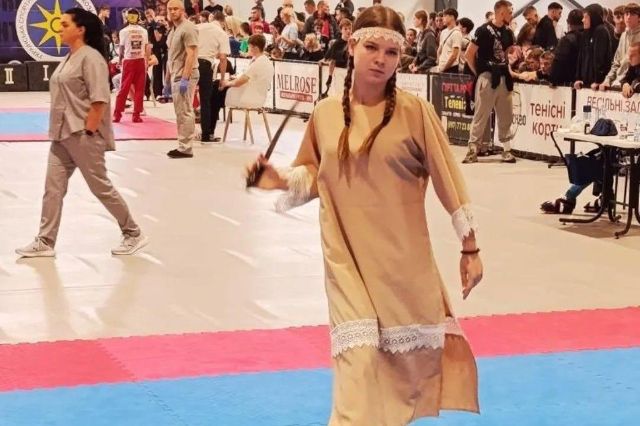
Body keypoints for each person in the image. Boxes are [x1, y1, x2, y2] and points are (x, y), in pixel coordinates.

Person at [245, 5, 481, 424]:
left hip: (401, 264)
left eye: (391, 53)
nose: (380, 60)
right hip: (346, 260)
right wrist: (278, 180)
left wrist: (470, 248)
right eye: (371, 48)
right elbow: (314, 173)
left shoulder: (415, 112)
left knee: (399, 381)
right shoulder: (325, 113)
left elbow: (448, 178)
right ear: (351, 46)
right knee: (359, 364)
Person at [16, 8, 147, 258]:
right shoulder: (70, 57)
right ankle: (45, 240)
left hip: (83, 134)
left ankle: (133, 232)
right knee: (53, 188)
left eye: (65, 24)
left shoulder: (91, 58)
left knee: (100, 187)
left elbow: (99, 99)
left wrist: (89, 131)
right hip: (61, 135)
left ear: (81, 30)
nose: (60, 28)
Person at [463, 0, 516, 164]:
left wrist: (509, 70)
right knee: (481, 115)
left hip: (503, 77)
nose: (512, 15)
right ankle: (472, 149)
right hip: (487, 76)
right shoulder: (482, 30)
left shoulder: (508, 33)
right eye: (510, 12)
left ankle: (506, 149)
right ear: (501, 12)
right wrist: (479, 73)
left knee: (506, 115)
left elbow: (506, 55)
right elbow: (468, 54)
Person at [164, 0, 199, 159]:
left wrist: (185, 78)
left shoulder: (188, 28)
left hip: (185, 75)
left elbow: (191, 54)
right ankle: (183, 144)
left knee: (185, 111)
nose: (172, 12)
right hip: (176, 74)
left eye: (175, 9)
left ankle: (186, 147)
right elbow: (171, 56)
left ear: (182, 10)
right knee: (180, 111)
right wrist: (167, 79)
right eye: (169, 9)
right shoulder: (173, 30)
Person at [197, 11, 230, 143]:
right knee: (205, 101)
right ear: (223, 21)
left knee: (186, 100)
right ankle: (206, 134)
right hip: (205, 66)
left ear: (211, 18)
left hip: (190, 63)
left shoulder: (198, 27)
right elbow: (223, 58)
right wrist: (222, 79)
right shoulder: (221, 33)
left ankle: (185, 133)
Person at [113, 9, 150, 123]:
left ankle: (117, 114)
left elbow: (122, 48)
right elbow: (147, 47)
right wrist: (147, 61)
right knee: (139, 89)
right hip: (140, 61)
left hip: (129, 61)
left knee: (124, 88)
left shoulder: (123, 31)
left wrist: (120, 61)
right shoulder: (144, 31)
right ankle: (136, 115)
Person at [598, 3, 640, 90]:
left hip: (633, 86)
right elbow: (616, 63)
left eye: (632, 14)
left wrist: (633, 82)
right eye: (627, 14)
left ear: (639, 17)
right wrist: (607, 80)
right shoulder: (624, 35)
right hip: (618, 83)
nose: (628, 17)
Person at [574, 4, 613, 91]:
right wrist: (578, 78)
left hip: (597, 85)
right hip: (585, 83)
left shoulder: (601, 31)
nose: (582, 20)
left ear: (593, 17)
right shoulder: (586, 33)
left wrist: (598, 80)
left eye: (586, 17)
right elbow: (581, 57)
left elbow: (600, 58)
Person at [548, 9, 584, 86]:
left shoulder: (566, 40)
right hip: (586, 83)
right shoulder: (590, 38)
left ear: (568, 22)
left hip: (568, 84)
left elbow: (558, 63)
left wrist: (552, 79)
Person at [436, 8, 462, 73]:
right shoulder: (443, 32)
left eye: (445, 16)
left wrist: (444, 68)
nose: (443, 18)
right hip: (441, 67)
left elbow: (454, 55)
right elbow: (440, 50)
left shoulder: (456, 33)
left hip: (451, 68)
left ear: (452, 17)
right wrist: (439, 63)